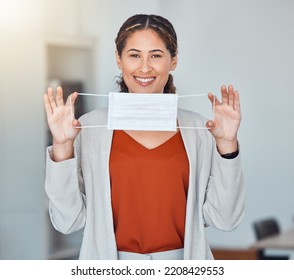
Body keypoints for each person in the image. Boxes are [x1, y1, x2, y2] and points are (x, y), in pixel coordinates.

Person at [44, 14, 245, 260]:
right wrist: (63, 146)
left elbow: (226, 219)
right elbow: (67, 222)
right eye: (134, 55)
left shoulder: (201, 130)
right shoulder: (87, 129)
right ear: (119, 60)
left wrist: (227, 146)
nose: (145, 67)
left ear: (174, 60)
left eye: (156, 55)